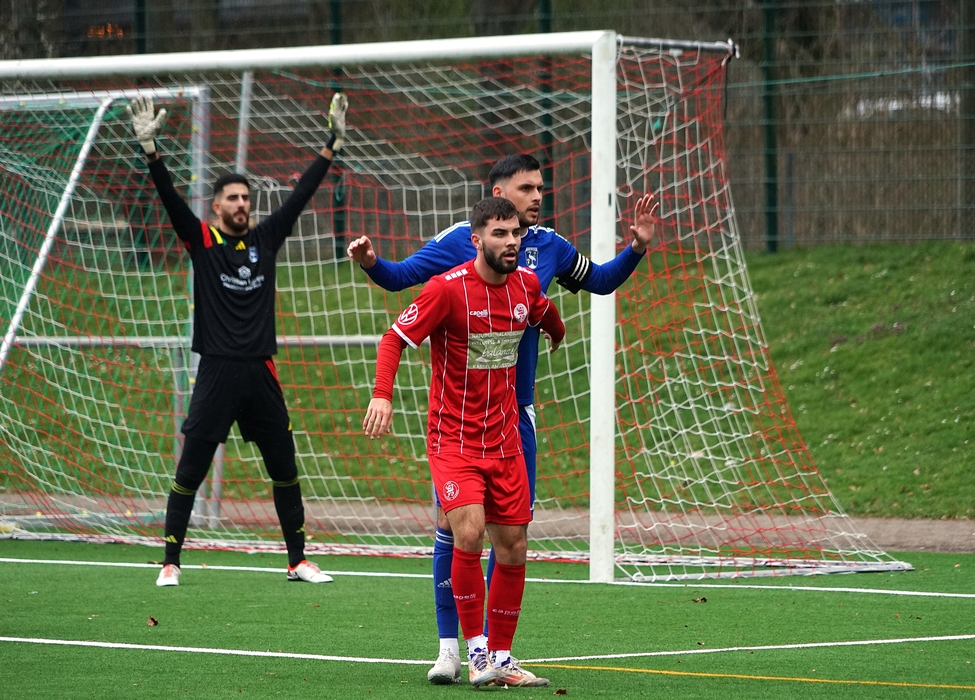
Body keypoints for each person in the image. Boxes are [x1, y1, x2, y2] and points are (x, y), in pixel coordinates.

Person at [347, 153, 659, 683]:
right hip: (457, 424)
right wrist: (373, 264)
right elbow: (400, 282)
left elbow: (592, 286)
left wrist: (635, 249)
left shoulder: (546, 253)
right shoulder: (457, 249)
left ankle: (497, 654)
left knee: (510, 539)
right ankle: (455, 648)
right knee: (458, 530)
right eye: (526, 188)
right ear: (494, 201)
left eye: (540, 188)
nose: (537, 197)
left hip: (515, 419)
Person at [127, 93, 349, 587]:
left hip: (260, 371)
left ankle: (297, 561)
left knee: (284, 467)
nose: (242, 204)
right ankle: (170, 562)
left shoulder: (265, 240)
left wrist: (331, 145)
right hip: (217, 370)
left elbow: (301, 195)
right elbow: (169, 200)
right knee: (191, 469)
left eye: (246, 198)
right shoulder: (203, 241)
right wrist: (152, 152)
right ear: (216, 206)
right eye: (233, 198)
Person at [363, 196, 565, 688]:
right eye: (500, 234)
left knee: (513, 545)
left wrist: (556, 331)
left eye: (515, 233)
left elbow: (544, 312)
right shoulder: (445, 290)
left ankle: (503, 657)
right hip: (453, 440)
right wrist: (382, 395)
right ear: (476, 240)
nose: (511, 242)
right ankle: (475, 655)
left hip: (505, 439)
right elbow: (393, 339)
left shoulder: (526, 285)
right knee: (469, 534)